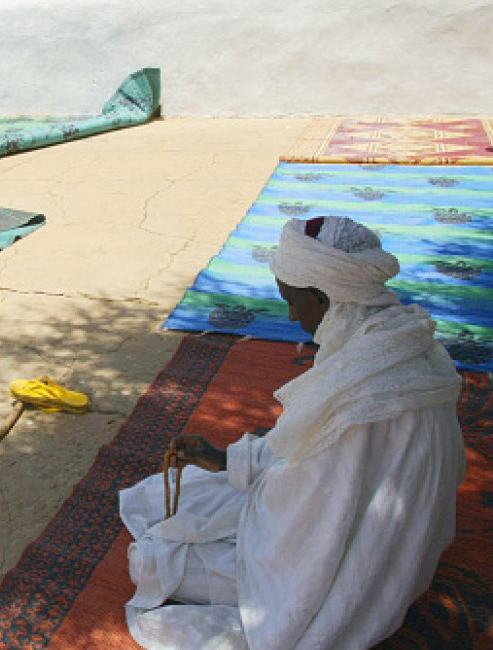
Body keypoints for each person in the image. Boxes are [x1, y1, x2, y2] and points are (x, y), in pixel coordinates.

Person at [119, 216, 465, 649]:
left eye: (293, 302)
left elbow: (309, 517)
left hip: (359, 553)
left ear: (323, 298)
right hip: (401, 531)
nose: (290, 315)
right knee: (179, 497)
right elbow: (318, 462)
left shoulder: (362, 384)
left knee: (151, 560)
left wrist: (248, 485)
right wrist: (232, 462)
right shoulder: (395, 335)